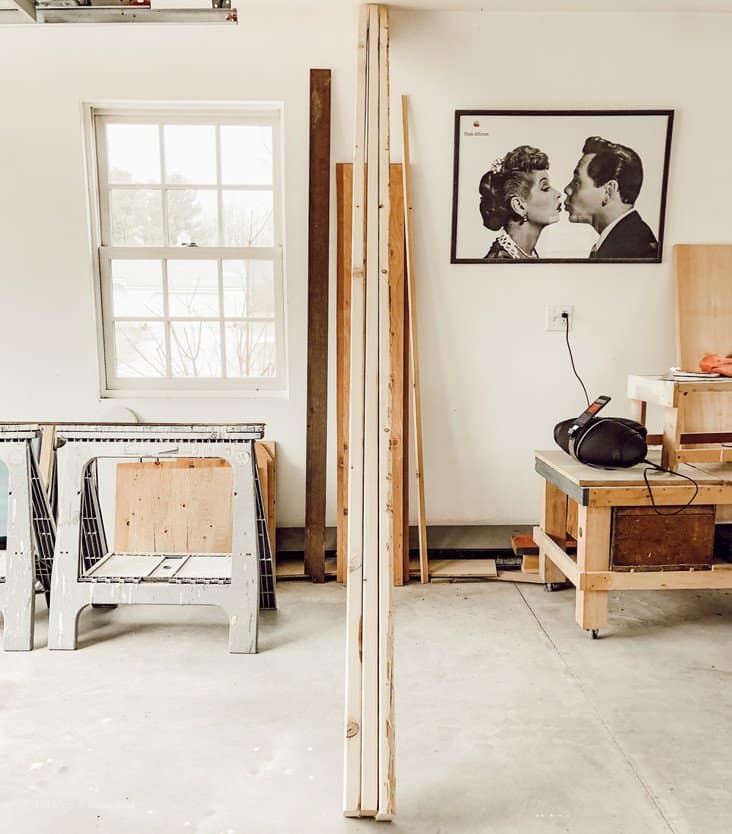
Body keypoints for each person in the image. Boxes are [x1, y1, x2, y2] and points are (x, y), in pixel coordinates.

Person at [563, 136, 658, 259]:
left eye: (576, 181)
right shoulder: (628, 242)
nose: (567, 189)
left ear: (608, 191)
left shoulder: (637, 250)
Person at [478, 146, 562, 260]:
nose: (557, 193)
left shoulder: (526, 254)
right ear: (519, 206)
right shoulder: (500, 262)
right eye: (545, 188)